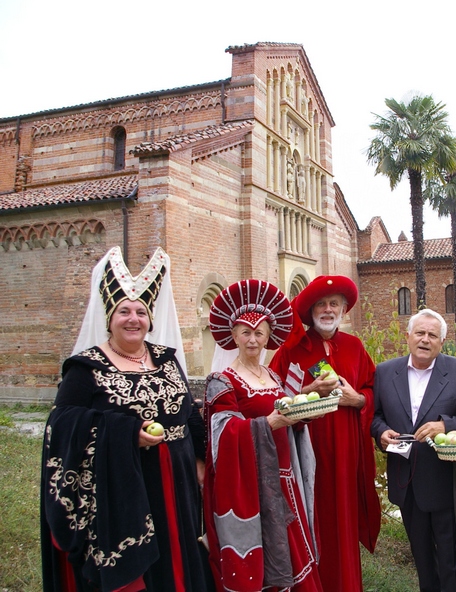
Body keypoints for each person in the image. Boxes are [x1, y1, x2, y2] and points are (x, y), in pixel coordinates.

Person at [40, 246, 209, 592]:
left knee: (177, 555)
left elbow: (186, 410)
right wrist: (127, 432)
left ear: (150, 319)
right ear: (109, 317)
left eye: (141, 312)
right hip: (122, 484)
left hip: (177, 482)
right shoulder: (86, 367)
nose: (133, 319)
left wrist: (200, 458)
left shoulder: (166, 359)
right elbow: (62, 422)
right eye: (124, 311)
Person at [204, 279, 323, 592]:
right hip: (251, 484)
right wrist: (268, 423)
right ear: (233, 336)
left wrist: (303, 416)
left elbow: (286, 415)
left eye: (259, 333)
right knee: (265, 561)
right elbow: (223, 434)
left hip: (285, 478)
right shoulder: (222, 380)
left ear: (269, 337)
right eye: (245, 332)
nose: (252, 340)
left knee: (294, 553)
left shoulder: (272, 375)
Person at [269, 275, 381, 592]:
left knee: (343, 523)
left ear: (343, 310)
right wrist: (310, 389)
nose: (328, 310)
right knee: (311, 519)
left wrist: (356, 399)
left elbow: (372, 392)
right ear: (311, 310)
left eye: (334, 304)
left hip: (346, 455)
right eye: (322, 303)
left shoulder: (355, 348)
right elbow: (275, 396)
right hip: (307, 456)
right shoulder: (292, 351)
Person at [371, 308, 456, 592]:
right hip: (405, 481)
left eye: (433, 335)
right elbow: (377, 416)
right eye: (419, 333)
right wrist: (381, 432)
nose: (425, 339)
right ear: (407, 337)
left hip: (444, 482)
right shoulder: (385, 372)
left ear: (442, 342)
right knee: (421, 557)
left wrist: (445, 425)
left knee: (449, 558)